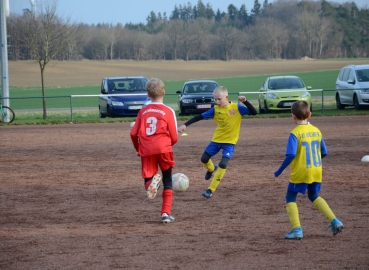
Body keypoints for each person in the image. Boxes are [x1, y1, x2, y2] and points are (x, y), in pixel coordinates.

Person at [274, 100, 343, 240]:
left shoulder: (295, 133)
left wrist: (279, 170)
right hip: (316, 170)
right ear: (310, 114)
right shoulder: (316, 130)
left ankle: (297, 230)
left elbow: (291, 154)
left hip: (301, 172)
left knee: (290, 198)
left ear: (293, 116)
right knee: (314, 196)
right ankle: (335, 221)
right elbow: (324, 152)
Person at [177, 86, 257, 199]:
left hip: (230, 143)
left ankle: (210, 190)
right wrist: (185, 124)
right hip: (216, 140)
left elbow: (254, 112)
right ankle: (211, 168)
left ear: (226, 97)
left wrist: (246, 102)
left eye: (219, 99)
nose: (217, 101)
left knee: (223, 164)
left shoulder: (236, 108)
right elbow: (199, 117)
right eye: (215, 99)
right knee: (204, 159)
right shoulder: (215, 109)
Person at [130, 78, 178, 223]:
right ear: (164, 92)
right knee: (168, 180)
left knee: (148, 178)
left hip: (146, 148)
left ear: (148, 94)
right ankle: (165, 214)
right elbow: (174, 136)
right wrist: (168, 145)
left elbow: (133, 133)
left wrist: (139, 148)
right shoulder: (169, 111)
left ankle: (152, 183)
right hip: (163, 147)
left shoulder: (143, 111)